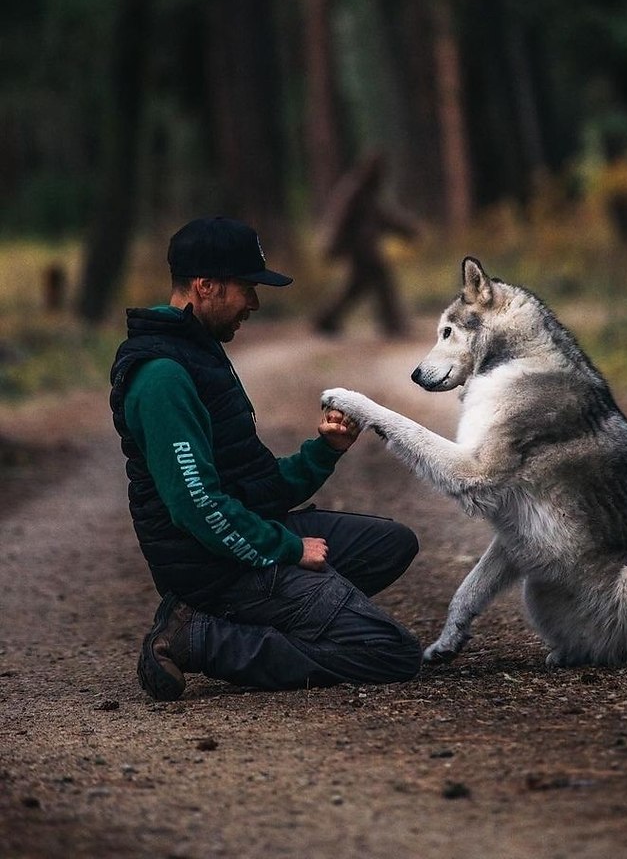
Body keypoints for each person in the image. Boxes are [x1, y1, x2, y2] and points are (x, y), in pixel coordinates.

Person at [110, 216, 422, 701]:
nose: (254, 303)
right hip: (214, 564)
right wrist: (288, 550)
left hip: (237, 541)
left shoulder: (200, 353)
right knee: (390, 653)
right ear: (205, 285)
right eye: (246, 288)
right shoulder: (162, 377)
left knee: (392, 544)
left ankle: (275, 615)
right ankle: (201, 637)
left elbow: (252, 484)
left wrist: (324, 452)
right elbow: (198, 506)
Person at [313, 151, 419, 336]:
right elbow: (339, 218)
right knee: (379, 279)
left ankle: (326, 319)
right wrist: (332, 244)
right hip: (359, 248)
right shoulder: (354, 190)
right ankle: (392, 324)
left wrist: (406, 229)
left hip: (364, 247)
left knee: (357, 285)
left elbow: (383, 217)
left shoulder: (366, 193)